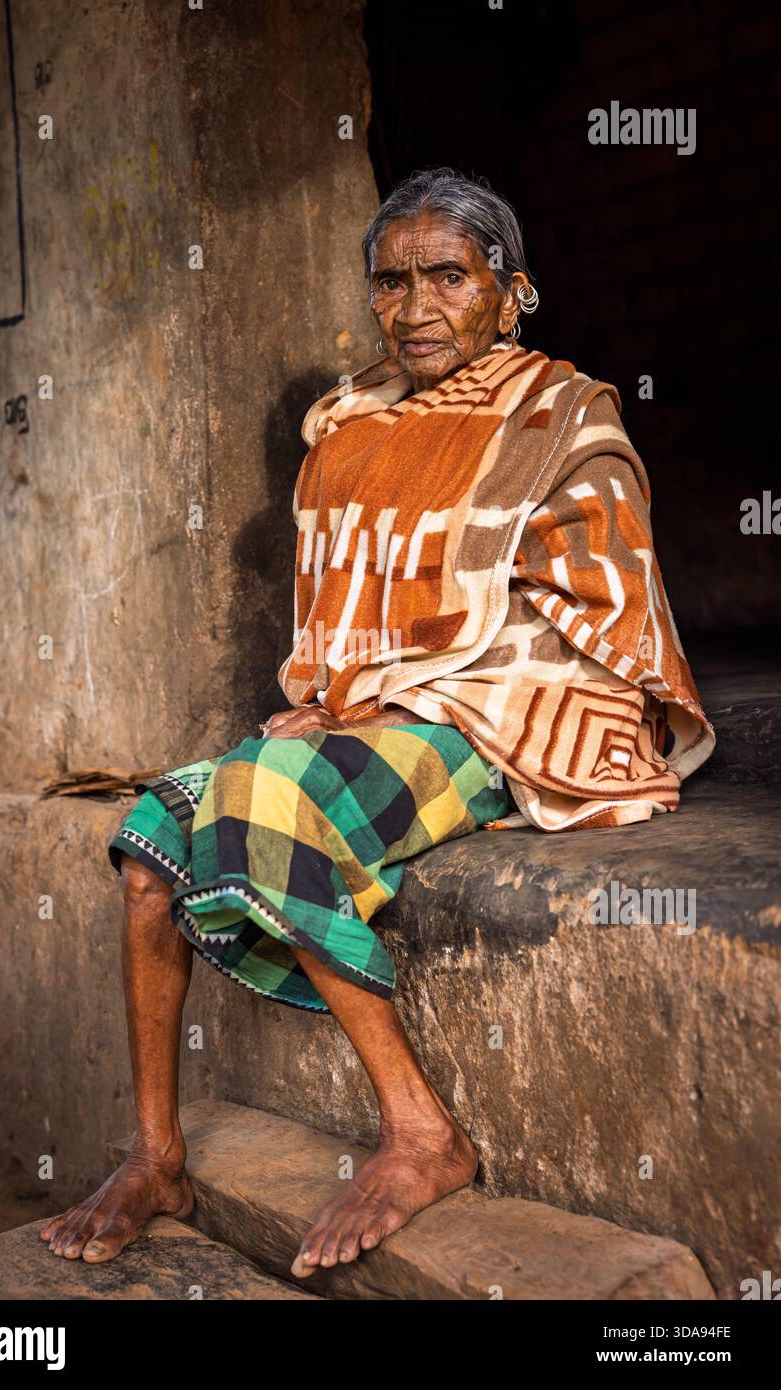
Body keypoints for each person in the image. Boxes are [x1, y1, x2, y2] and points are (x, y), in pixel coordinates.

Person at [41, 168, 713, 1277]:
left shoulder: (564, 414)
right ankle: (157, 1151)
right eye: (390, 282)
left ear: (513, 291)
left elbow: (602, 620)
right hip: (368, 710)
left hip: (511, 706)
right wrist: (337, 701)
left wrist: (396, 694)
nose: (414, 309)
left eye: (448, 275)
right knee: (151, 839)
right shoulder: (349, 428)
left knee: (264, 791)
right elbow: (338, 622)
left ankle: (421, 1131)